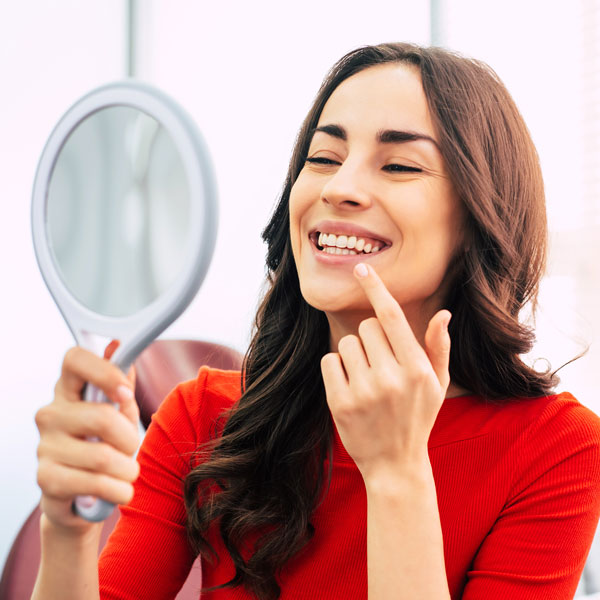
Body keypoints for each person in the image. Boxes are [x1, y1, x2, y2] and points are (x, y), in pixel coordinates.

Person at [32, 42, 600, 600]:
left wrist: (396, 473)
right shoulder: (201, 417)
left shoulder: (558, 449)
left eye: (398, 164)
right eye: (323, 159)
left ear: (480, 216)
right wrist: (67, 535)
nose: (339, 188)